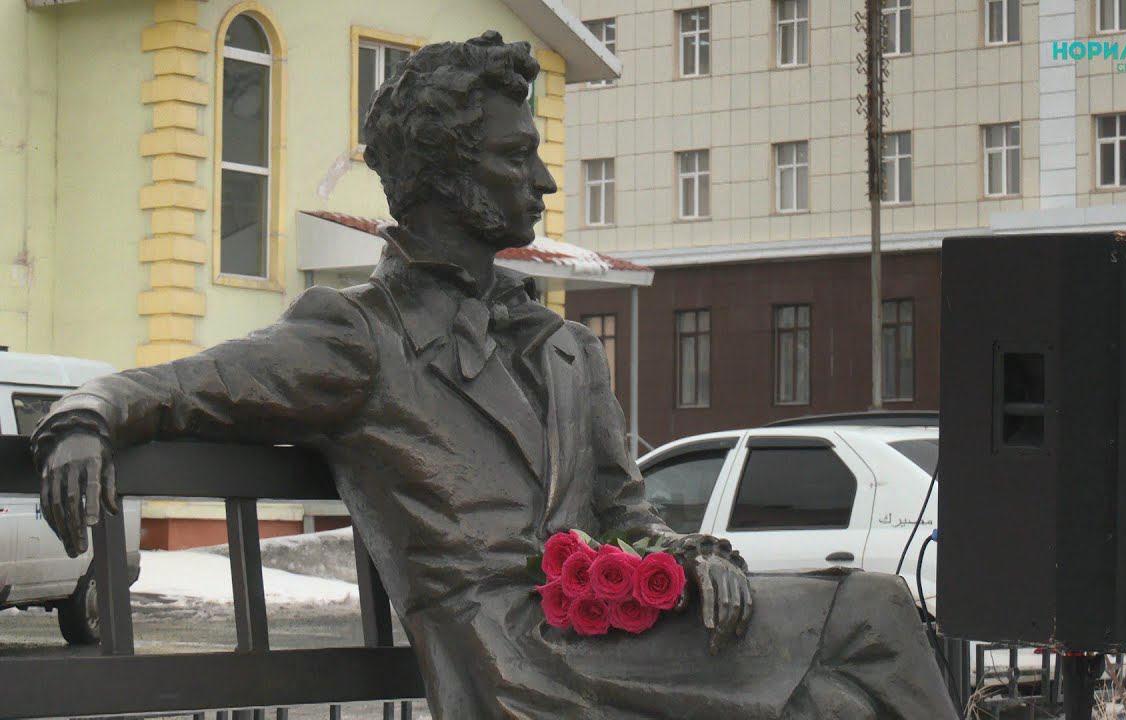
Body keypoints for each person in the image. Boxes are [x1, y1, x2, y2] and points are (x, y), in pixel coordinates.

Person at [33, 32, 955, 719]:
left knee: (849, 678)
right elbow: (185, 383)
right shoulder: (358, 336)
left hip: (612, 631)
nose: (545, 182)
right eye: (518, 157)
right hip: (516, 657)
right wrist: (84, 417)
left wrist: (690, 557)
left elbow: (627, 513)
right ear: (445, 175)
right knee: (864, 626)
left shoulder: (566, 349)